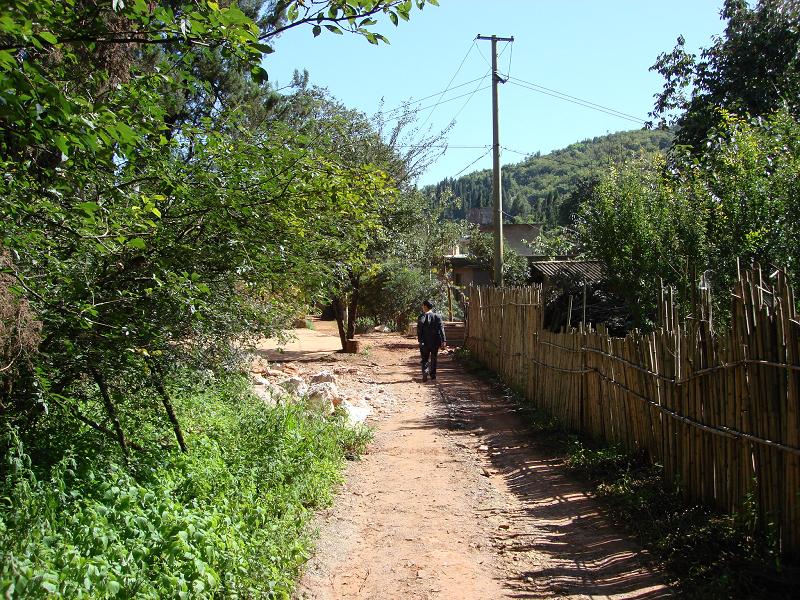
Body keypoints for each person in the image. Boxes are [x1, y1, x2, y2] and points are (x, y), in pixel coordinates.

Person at [416, 300, 446, 382]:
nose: (422, 307)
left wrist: (420, 340)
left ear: (425, 306)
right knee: (434, 358)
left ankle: (425, 372)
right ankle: (433, 375)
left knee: (424, 358)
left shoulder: (421, 317)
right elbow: (441, 329)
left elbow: (419, 330)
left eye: (422, 306)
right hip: (435, 342)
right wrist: (443, 341)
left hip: (424, 342)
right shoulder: (437, 316)